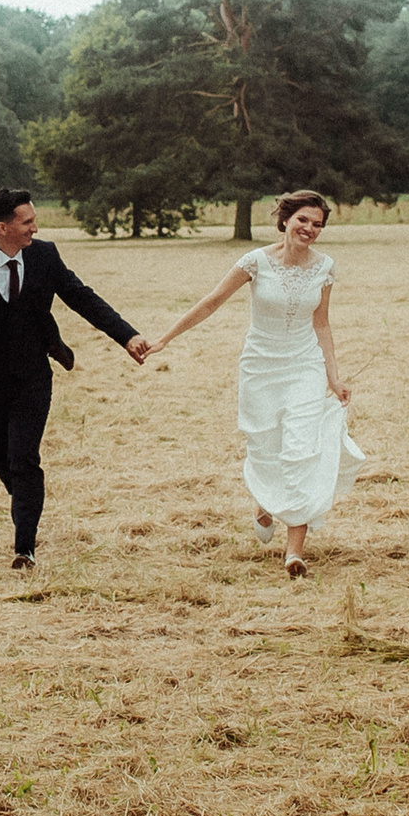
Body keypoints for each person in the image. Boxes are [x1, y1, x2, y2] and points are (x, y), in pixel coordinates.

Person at [0, 186, 152, 571]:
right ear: (2, 228)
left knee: (23, 457)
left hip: (33, 375)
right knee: (1, 457)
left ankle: (25, 547)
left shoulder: (45, 256)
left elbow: (83, 298)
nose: (36, 227)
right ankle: (27, 506)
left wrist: (127, 336)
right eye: (28, 221)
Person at [144, 188, 361, 579]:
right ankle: (265, 501)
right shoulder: (255, 262)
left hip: (304, 368)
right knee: (265, 447)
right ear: (285, 220)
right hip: (260, 368)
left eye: (317, 224)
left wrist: (333, 377)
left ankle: (294, 552)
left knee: (301, 449)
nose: (309, 229)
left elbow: (321, 323)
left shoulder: (326, 267)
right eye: (303, 221)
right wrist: (165, 339)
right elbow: (212, 301)